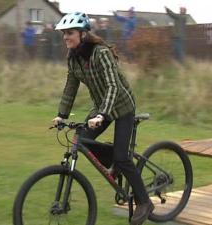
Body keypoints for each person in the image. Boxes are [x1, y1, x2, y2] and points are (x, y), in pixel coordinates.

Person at [52, 12, 154, 225]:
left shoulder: (101, 53)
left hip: (122, 106)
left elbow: (113, 86)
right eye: (63, 34)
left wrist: (102, 114)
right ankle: (115, 159)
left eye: (69, 33)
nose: (65, 37)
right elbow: (70, 88)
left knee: (122, 157)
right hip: (102, 107)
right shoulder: (73, 58)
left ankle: (144, 202)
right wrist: (61, 115)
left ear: (82, 33)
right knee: (81, 139)